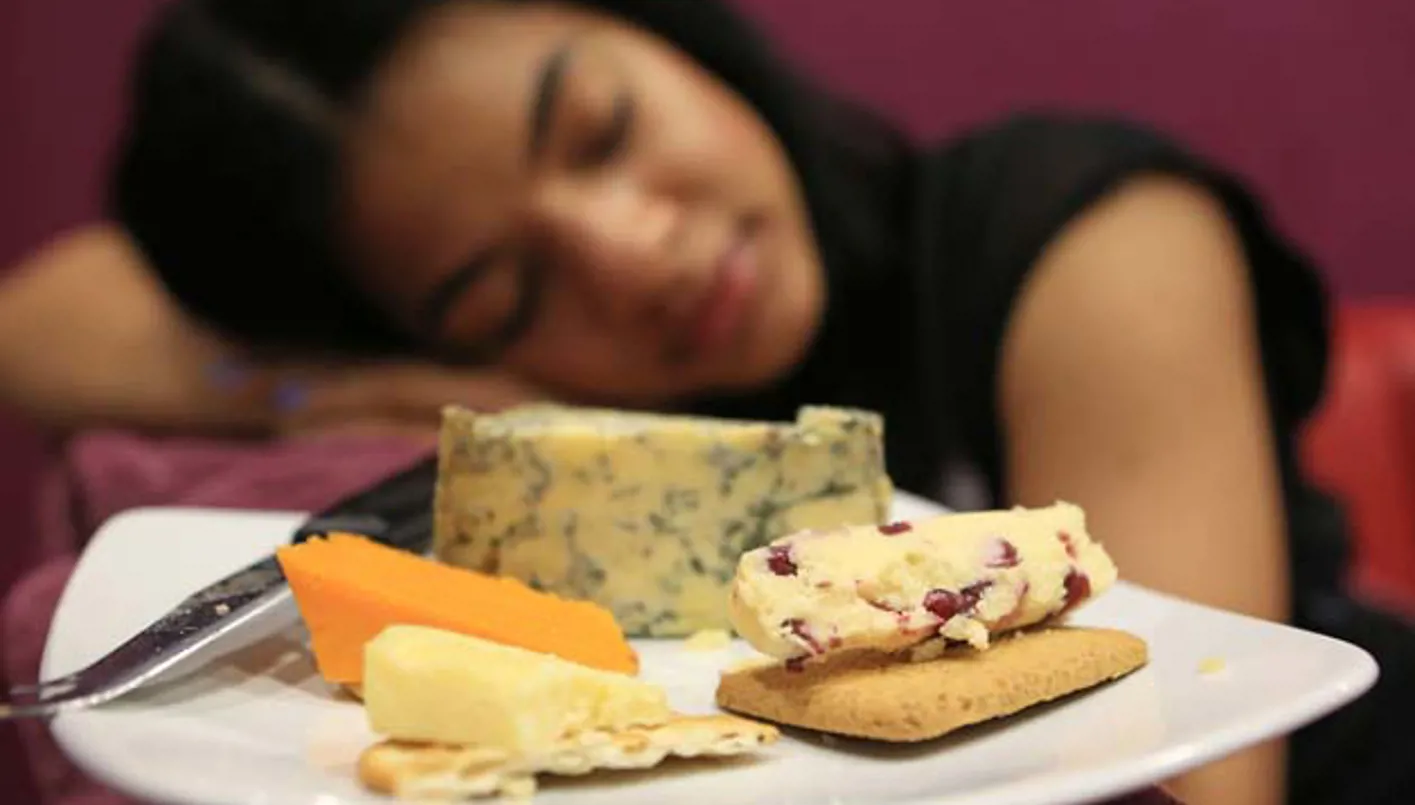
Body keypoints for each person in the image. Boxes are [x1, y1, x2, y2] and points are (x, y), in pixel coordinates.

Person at [1, 1, 1410, 803]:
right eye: (505, 294)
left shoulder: (1079, 238)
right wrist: (382, 387)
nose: (635, 254)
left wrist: (457, 356)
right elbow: (40, 319)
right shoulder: (587, 432)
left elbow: (1187, 775)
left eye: (601, 129)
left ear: (667, 30)